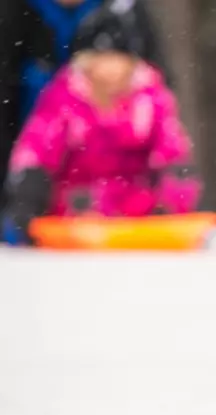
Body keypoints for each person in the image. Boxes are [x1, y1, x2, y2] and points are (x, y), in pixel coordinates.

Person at [1, 3, 199, 245]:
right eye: (98, 60)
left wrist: (172, 204)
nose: (109, 70)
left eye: (117, 60)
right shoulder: (65, 100)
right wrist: (26, 204)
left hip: (138, 210)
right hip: (76, 209)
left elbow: (173, 154)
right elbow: (36, 152)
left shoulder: (150, 99)